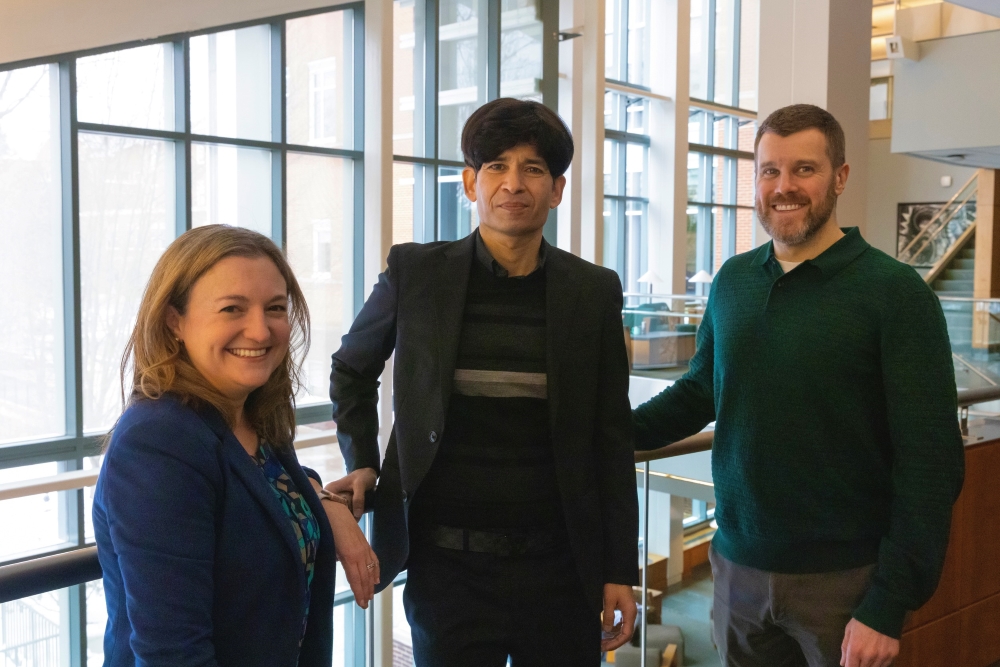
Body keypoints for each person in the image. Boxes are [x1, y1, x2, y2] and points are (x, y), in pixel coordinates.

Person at [633, 104, 964, 667]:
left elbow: (931, 462)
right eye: (769, 171)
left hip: (846, 584)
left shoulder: (896, 294)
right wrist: (605, 430)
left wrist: (887, 604)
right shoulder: (733, 280)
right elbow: (700, 391)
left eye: (804, 170)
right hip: (737, 572)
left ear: (840, 176)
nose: (783, 187)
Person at [327, 98, 639, 666]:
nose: (513, 183)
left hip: (561, 572)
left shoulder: (592, 291)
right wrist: (364, 459)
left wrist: (621, 567)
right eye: (496, 166)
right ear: (471, 183)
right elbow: (351, 369)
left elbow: (610, 436)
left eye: (533, 168)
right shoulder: (416, 273)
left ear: (558, 189)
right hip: (446, 572)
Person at [93, 225, 379, 667]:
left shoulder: (250, 416)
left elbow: (259, 491)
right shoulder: (157, 442)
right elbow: (173, 654)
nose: (260, 330)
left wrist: (326, 502)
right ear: (175, 321)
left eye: (275, 308)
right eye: (232, 308)